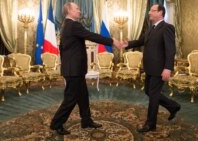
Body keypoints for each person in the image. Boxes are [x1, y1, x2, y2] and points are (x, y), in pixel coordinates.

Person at [50, 2, 120, 135]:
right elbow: (91, 36)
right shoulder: (73, 25)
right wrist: (112, 41)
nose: (79, 11)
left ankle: (86, 120)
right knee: (71, 98)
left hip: (74, 69)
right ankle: (56, 123)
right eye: (76, 9)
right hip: (74, 70)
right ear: (69, 11)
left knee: (83, 96)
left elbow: (63, 48)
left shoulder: (66, 25)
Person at [120, 4, 180, 133]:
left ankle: (150, 124)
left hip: (159, 68)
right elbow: (141, 41)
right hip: (149, 67)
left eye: (152, 11)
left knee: (153, 96)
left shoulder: (167, 28)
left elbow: (171, 50)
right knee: (149, 92)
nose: (149, 13)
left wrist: (168, 68)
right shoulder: (150, 28)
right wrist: (127, 44)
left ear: (160, 13)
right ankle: (173, 106)